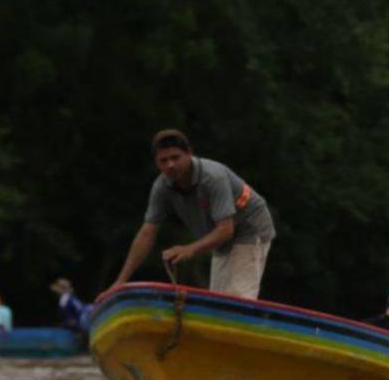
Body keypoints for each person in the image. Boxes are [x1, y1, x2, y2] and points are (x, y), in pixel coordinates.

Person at [103, 128, 276, 300]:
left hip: (249, 227)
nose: (170, 165)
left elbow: (226, 230)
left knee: (237, 297)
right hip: (220, 237)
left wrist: (188, 249)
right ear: (156, 163)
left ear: (189, 154)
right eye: (164, 160)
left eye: (175, 158)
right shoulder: (161, 186)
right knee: (218, 299)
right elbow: (147, 233)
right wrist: (120, 281)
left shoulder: (212, 177)